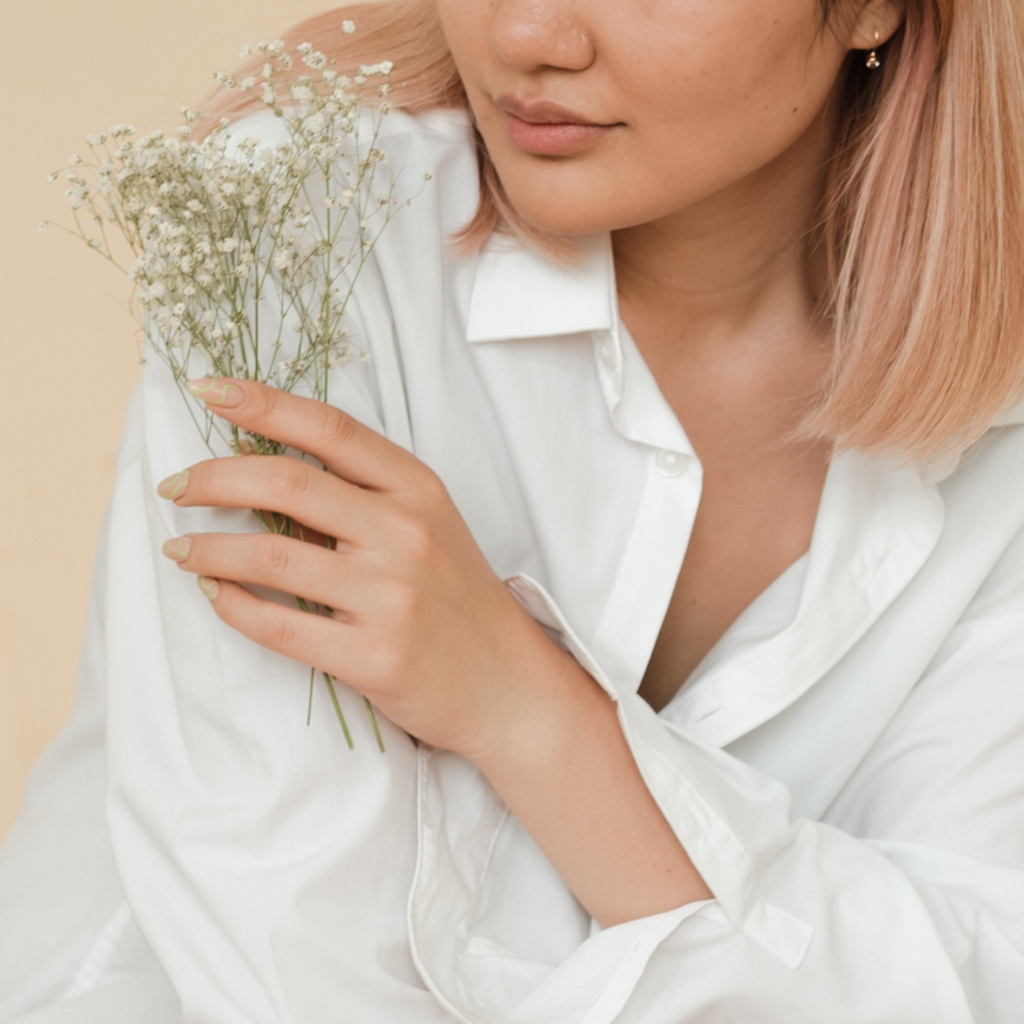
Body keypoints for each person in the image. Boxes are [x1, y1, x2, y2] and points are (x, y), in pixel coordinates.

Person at [2, 0, 1023, 1020]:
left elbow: (970, 985)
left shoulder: (1002, 426)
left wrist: (530, 715)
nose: (528, 36)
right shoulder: (296, 224)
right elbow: (295, 966)